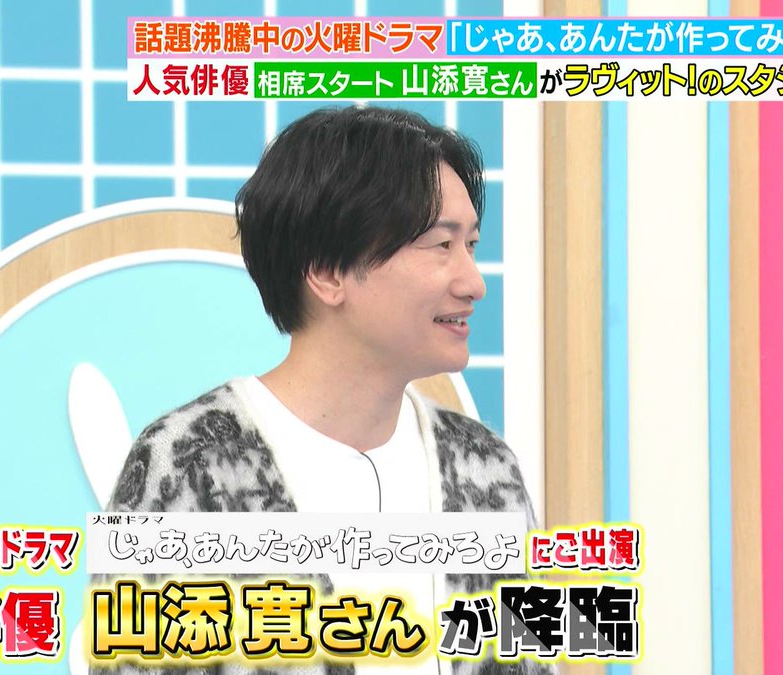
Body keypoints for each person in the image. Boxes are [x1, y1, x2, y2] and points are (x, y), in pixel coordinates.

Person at [99, 106, 546, 675]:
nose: (473, 282)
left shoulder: (485, 466)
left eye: (472, 245)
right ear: (328, 271)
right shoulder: (189, 462)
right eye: (441, 245)